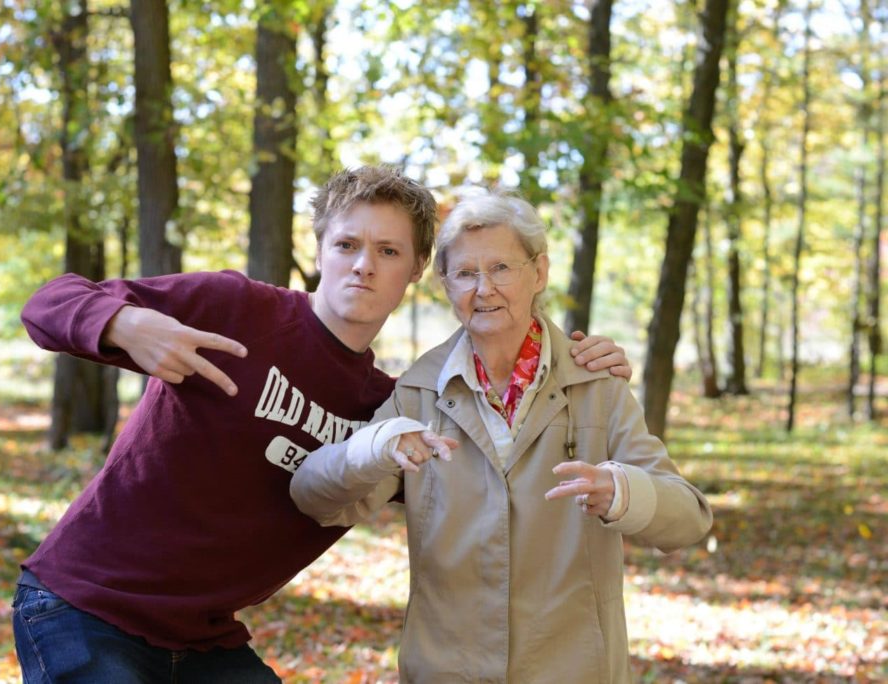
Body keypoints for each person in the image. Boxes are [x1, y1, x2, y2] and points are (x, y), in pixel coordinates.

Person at [12, 167, 632, 683]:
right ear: (318, 251)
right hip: (85, 605)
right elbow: (48, 303)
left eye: (388, 251)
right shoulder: (234, 309)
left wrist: (578, 366)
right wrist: (125, 323)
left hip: (202, 639)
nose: (363, 265)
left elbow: (487, 474)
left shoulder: (394, 411)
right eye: (346, 245)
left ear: (418, 270)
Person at [290, 190, 713, 683]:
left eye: (501, 269)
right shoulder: (418, 393)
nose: (484, 289)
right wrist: (374, 448)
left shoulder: (596, 385)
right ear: (445, 284)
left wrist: (622, 490)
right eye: (466, 273)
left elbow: (689, 519)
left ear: (539, 273)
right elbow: (315, 498)